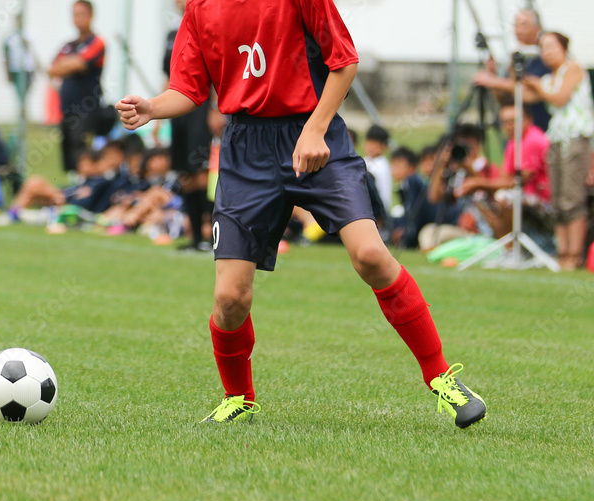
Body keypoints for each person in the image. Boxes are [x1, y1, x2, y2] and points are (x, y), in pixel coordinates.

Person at [115, 0, 486, 428]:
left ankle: (442, 378)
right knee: (230, 298)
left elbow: (344, 63)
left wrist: (313, 128)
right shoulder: (200, 9)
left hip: (315, 135)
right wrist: (151, 108)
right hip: (244, 152)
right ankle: (238, 398)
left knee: (370, 255)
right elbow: (189, 89)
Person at [523, 32, 594, 270]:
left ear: (564, 46)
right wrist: (496, 80)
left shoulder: (572, 68)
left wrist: (535, 84)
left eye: (550, 46)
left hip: (575, 140)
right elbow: (523, 94)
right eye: (542, 48)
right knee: (557, 200)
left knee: (572, 199)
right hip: (556, 140)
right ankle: (562, 253)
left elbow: (558, 98)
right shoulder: (548, 78)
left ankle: (574, 256)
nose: (546, 51)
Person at [455, 104, 553, 242]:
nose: (509, 126)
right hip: (526, 196)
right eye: (504, 122)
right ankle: (507, 247)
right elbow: (505, 177)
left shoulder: (532, 140)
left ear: (528, 119)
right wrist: (478, 183)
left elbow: (519, 181)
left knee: (503, 197)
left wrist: (478, 183)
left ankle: (511, 247)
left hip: (545, 199)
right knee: (483, 198)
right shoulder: (513, 142)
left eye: (513, 121)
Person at [164, 0, 215, 252]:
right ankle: (196, 239)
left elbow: (220, 70)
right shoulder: (172, 34)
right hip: (177, 110)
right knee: (184, 173)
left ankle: (215, 237)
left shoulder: (210, 25)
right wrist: (156, 113)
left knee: (203, 173)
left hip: (201, 107)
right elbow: (169, 76)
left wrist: (216, 109)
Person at [48, 1, 107, 173]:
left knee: (84, 156)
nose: (78, 18)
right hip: (67, 110)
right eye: (74, 14)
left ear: (90, 16)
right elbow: (52, 68)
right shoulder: (68, 45)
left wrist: (67, 65)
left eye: (82, 14)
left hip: (87, 110)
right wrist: (69, 64)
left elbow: (81, 63)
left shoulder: (97, 42)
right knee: (70, 157)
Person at [473, 8, 551, 132]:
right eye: (515, 25)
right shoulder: (516, 56)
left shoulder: (545, 57)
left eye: (523, 25)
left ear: (538, 28)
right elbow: (505, 96)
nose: (518, 30)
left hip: (541, 128)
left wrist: (493, 81)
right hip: (516, 134)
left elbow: (528, 92)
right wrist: (492, 75)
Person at [4, 13, 38, 104]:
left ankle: (23, 106)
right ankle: (21, 108)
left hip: (27, 68)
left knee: (26, 88)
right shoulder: (11, 37)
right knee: (19, 90)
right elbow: (6, 55)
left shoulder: (28, 35)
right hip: (16, 68)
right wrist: (7, 72)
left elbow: (32, 53)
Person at [364, 124, 393, 213]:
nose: (371, 147)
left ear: (384, 146)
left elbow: (384, 193)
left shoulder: (382, 165)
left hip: (377, 211)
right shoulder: (364, 160)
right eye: (370, 142)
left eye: (375, 144)